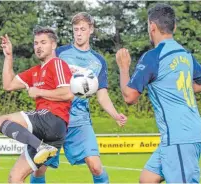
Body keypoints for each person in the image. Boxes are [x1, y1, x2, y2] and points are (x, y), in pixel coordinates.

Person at [30, 12, 127, 184]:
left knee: (96, 166)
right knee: (39, 168)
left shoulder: (98, 61)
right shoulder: (59, 53)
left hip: (80, 121)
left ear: (91, 30)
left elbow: (102, 94)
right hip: (54, 117)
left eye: (83, 29)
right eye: (76, 29)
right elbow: (43, 76)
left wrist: (115, 115)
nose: (79, 33)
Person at [116, 3, 201, 183]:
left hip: (178, 136)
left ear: (152, 26)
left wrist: (124, 68)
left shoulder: (154, 56)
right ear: (174, 27)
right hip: (182, 134)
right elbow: (198, 84)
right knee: (147, 179)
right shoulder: (185, 54)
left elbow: (129, 97)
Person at [0, 26, 73, 183]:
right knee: (15, 178)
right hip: (47, 134)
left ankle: (41, 147)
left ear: (54, 45)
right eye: (36, 43)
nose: (38, 47)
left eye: (43, 42)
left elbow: (68, 93)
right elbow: (8, 85)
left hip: (52, 118)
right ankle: (41, 147)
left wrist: (40, 91)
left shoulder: (57, 63)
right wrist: (8, 56)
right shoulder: (34, 71)